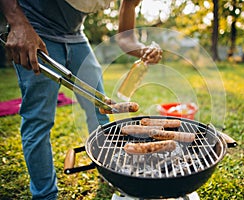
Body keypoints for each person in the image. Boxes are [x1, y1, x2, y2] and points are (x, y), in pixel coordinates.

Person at [0, 0, 162, 199]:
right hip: (35, 29)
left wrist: (143, 49)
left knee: (100, 109)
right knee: (39, 119)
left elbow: (126, 38)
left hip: (76, 35)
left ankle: (107, 172)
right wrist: (17, 23)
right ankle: (45, 195)